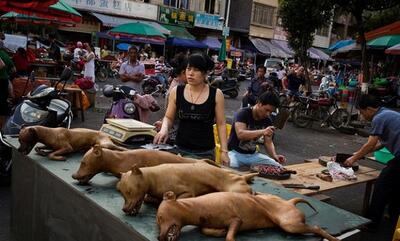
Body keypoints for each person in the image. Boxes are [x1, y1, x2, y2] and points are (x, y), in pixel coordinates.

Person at [153, 52, 229, 163]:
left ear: (205, 73)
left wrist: (224, 151)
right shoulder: (177, 91)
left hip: (205, 153)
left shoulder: (216, 94)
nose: (191, 73)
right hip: (180, 150)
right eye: (188, 69)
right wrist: (164, 129)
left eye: (196, 70)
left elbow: (221, 124)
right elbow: (169, 117)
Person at [344, 94, 400, 230]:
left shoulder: (378, 118)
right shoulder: (388, 113)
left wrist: (354, 158)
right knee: (396, 185)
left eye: (362, 112)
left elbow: (370, 144)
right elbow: (382, 143)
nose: (362, 116)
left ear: (369, 109)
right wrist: (358, 154)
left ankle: (372, 223)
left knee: (382, 185)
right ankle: (394, 216)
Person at [227, 91, 286, 169]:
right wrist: (263, 131)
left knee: (278, 167)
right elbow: (240, 134)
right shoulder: (243, 113)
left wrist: (274, 156)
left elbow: (268, 142)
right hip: (234, 153)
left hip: (253, 155)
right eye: (266, 110)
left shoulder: (267, 120)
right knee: (231, 168)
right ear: (259, 103)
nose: (268, 114)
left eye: (271, 112)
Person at [0, 48, 15, 129]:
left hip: (1, 80)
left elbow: (1, 64)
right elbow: (14, 69)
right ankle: (4, 126)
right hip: (5, 80)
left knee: (2, 103)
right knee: (3, 102)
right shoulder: (5, 54)